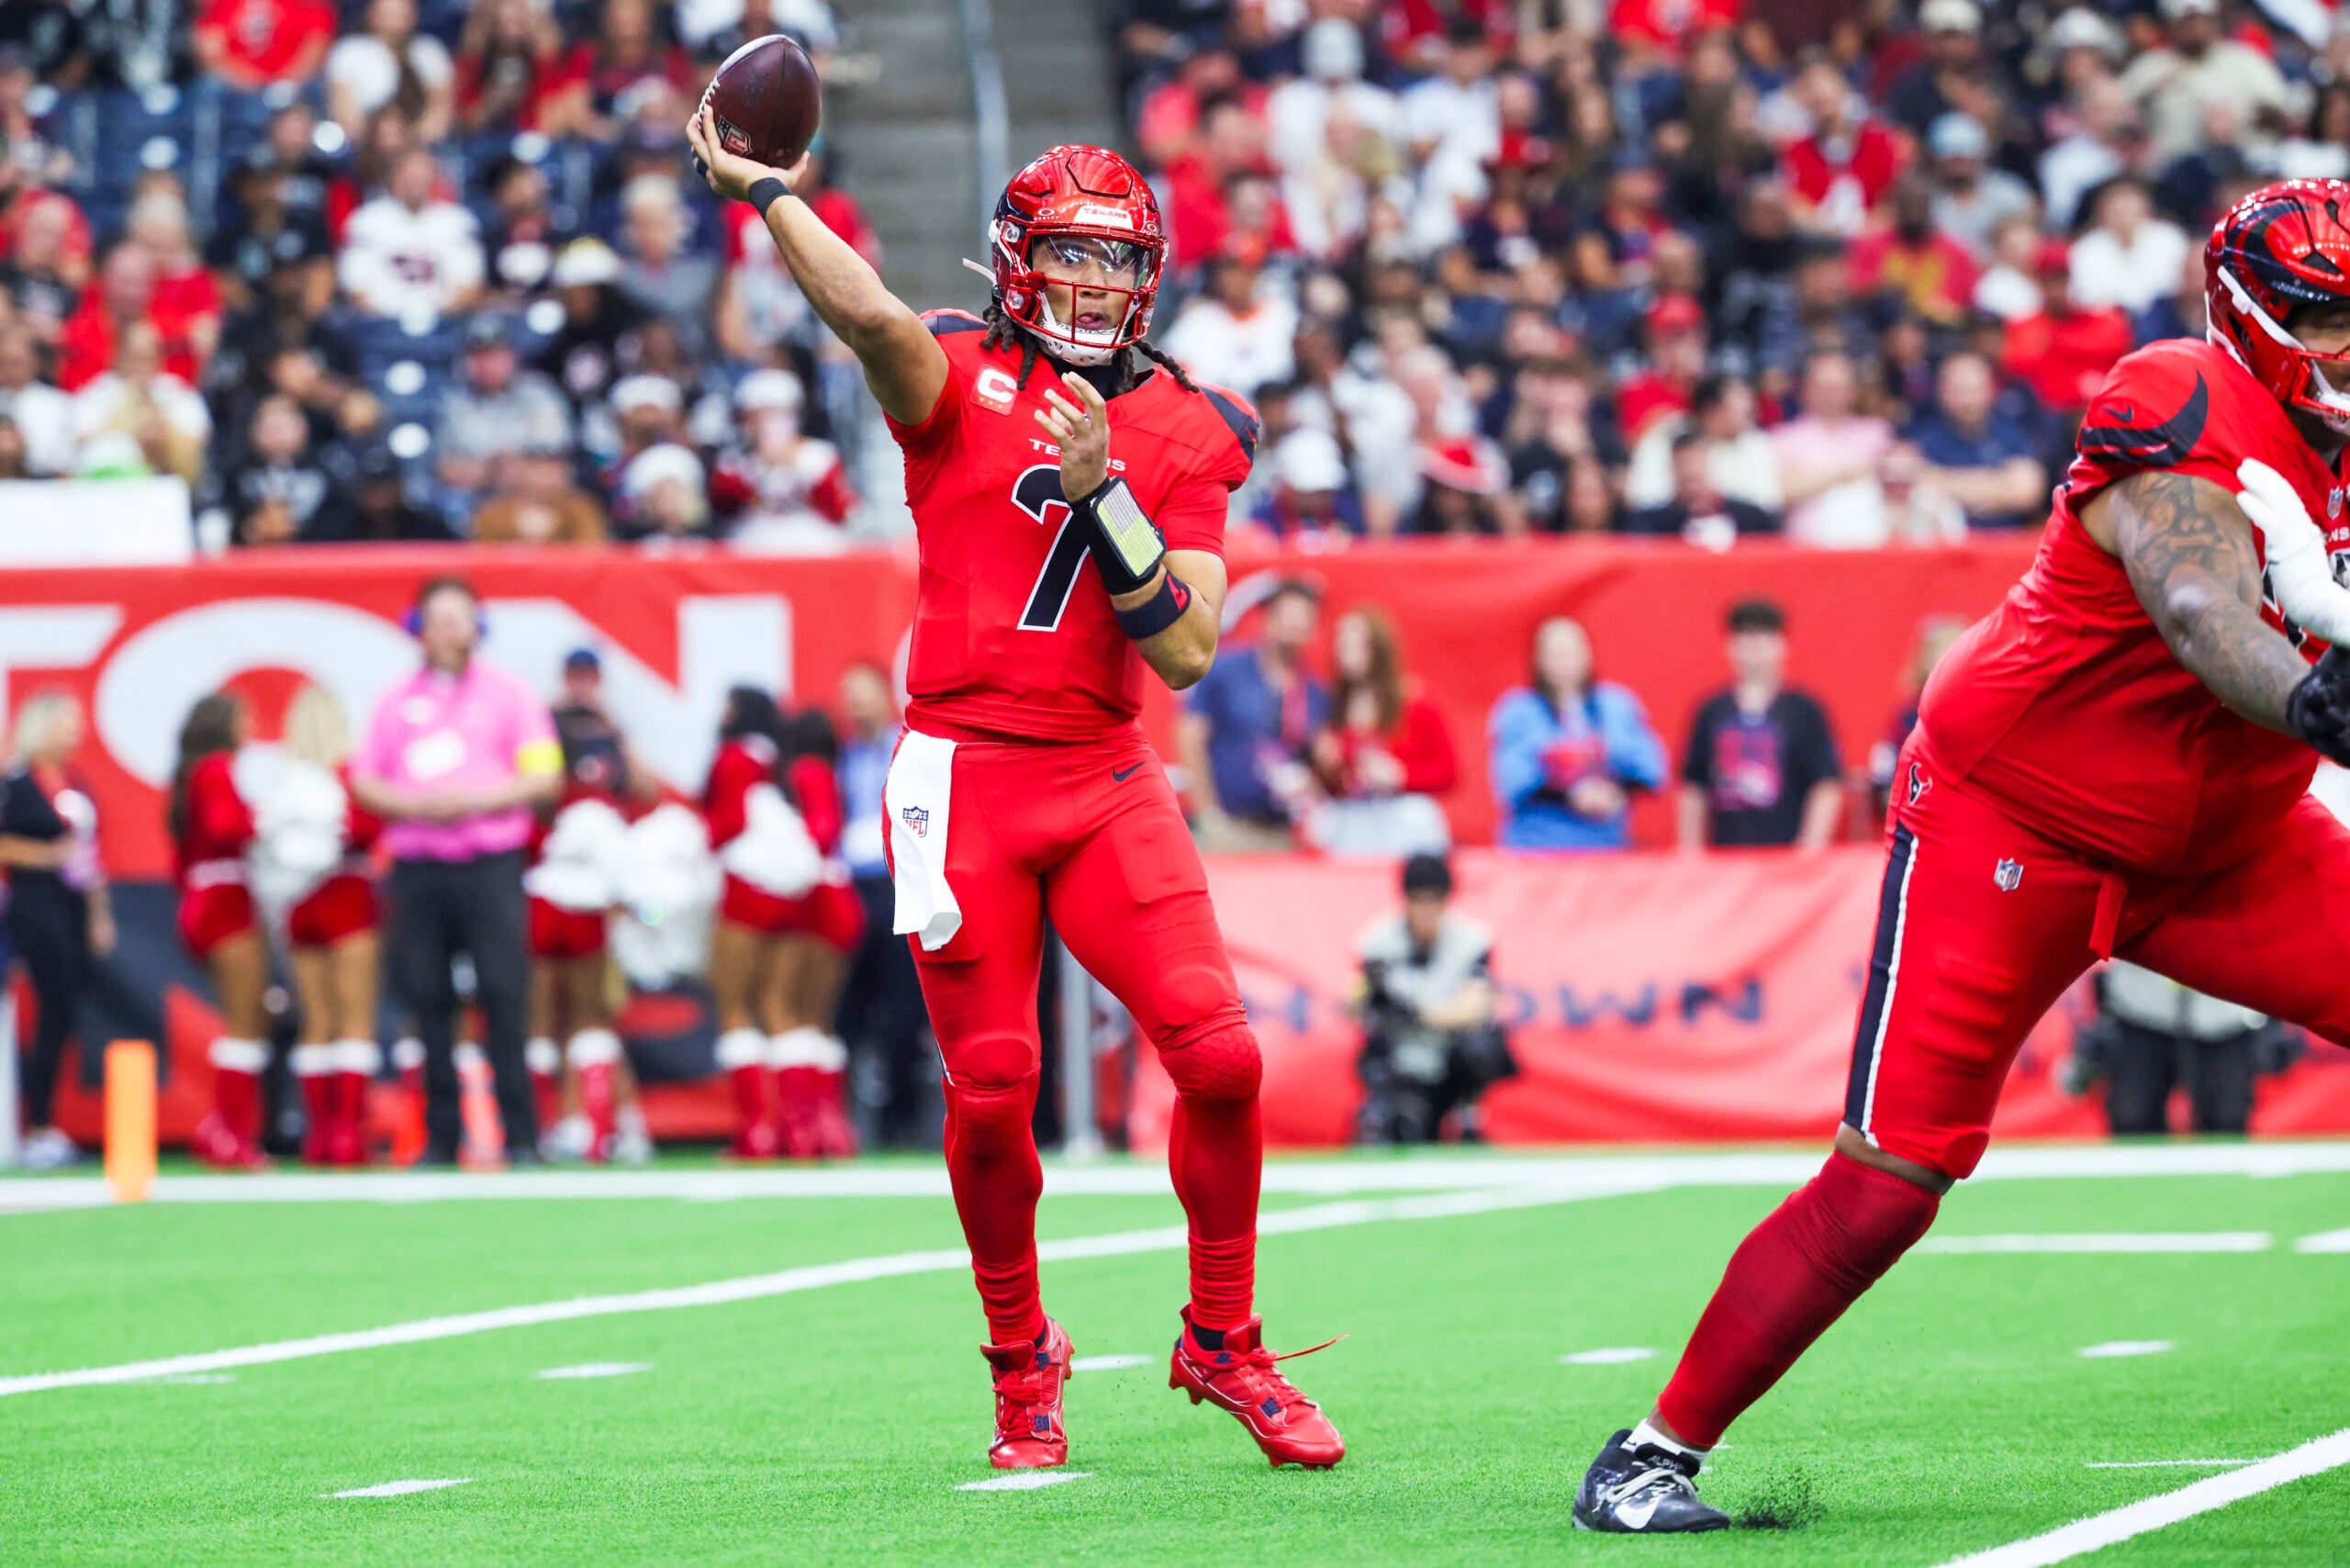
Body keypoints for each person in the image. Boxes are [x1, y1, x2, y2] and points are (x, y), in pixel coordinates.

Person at [1573, 180, 2350, 1532]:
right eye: (2331, 319)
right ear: (2258, 316)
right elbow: (2194, 595)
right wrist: (2308, 701)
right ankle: (1650, 1455)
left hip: (2228, 837)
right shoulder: (2179, 394)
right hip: (2018, 817)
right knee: (1894, 1177)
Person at [688, 115, 1342, 1469]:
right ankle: (1020, 1361)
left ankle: (1221, 1338)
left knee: (1220, 1057)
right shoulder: (958, 371)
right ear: (1017, 261)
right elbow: (866, 316)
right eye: (1073, 256)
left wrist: (1106, 499)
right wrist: (765, 191)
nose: (1100, 283)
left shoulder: (1192, 424)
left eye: (1121, 259)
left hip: (1104, 773)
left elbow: (1189, 647)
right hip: (960, 771)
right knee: (992, 1088)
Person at [351, 576, 561, 1167]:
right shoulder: (395, 701)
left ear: (478, 626)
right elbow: (365, 778)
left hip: (489, 863)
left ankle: (520, 1133)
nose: (447, 630)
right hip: (419, 866)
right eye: (436, 619)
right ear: (417, 628)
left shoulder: (511, 695)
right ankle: (441, 1135)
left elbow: (544, 775)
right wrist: (414, 804)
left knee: (503, 992)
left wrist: (477, 799)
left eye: (458, 618)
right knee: (427, 998)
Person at [525, 648, 655, 1165]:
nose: (581, 688)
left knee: (595, 1013)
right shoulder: (544, 730)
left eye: (588, 678)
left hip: (596, 901)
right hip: (547, 891)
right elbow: (534, 800)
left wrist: (615, 731)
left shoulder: (609, 735)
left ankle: (609, 1121)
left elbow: (645, 791)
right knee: (544, 1017)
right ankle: (553, 1124)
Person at [702, 685, 824, 1159]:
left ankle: (757, 1132)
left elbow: (728, 824)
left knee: (733, 1007)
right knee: (780, 1007)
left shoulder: (734, 758)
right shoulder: (782, 761)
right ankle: (802, 1133)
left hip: (746, 893)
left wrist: (696, 843)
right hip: (791, 898)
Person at [264, 684, 384, 1167]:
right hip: (346, 899)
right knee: (354, 1018)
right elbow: (367, 828)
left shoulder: (284, 784)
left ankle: (319, 1136)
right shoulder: (348, 778)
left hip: (299, 908)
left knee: (316, 1020)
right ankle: (347, 1137)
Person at [1, 692, 111, 1170]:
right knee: (49, 1011)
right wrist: (43, 857)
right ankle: (36, 1125)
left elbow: (88, 853)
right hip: (32, 903)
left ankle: (45, 1122)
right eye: (64, 724)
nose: (73, 734)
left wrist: (98, 913)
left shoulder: (73, 782)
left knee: (63, 1014)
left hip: (70, 905)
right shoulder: (16, 783)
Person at [165, 694, 275, 1170]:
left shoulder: (192, 775)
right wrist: (269, 821)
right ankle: (228, 1135)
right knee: (244, 1020)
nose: (250, 724)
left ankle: (221, 1129)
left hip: (205, 899)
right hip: (224, 904)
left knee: (251, 1015)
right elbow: (227, 826)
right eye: (244, 717)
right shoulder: (216, 770)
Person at [833, 660, 930, 1148]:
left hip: (897, 888)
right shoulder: (839, 759)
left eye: (863, 693)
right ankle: (840, 1121)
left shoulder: (906, 748)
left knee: (904, 1008)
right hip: (851, 891)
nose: (855, 705)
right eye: (847, 696)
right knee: (845, 1008)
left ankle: (902, 1118)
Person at [1350, 854, 1514, 1145]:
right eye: (1419, 901)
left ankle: (1466, 1112)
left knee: (1480, 1043)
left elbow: (1474, 1008)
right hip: (1401, 1055)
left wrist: (1415, 1009)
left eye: (1434, 901)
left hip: (1450, 1055)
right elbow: (1353, 1003)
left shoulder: (1472, 939)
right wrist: (1366, 995)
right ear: (1405, 901)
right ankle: (1384, 1113)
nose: (1426, 911)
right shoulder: (1377, 941)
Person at [1489, 617, 1668, 851]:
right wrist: (1571, 796)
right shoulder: (1519, 711)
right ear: (1538, 660)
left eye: (1572, 652)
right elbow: (1511, 782)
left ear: (1588, 654)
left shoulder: (1617, 705)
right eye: (1556, 654)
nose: (1566, 662)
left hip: (1605, 847)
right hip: (1538, 849)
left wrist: (1616, 792)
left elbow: (1651, 770)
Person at [1677, 599, 1844, 851]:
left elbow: (1825, 785)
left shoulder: (1805, 710)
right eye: (1745, 640)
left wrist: (1810, 849)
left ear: (1780, 646)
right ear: (1731, 647)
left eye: (1763, 640)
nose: (1754, 651)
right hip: (1725, 857)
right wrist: (1690, 852)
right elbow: (1694, 787)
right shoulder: (1711, 711)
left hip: (1786, 856)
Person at [1180, 579, 1327, 852]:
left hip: (1285, 834)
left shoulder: (1315, 692)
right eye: (1289, 614)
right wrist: (1207, 813)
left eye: (1303, 617)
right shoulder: (1226, 672)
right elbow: (1191, 738)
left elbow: (1318, 760)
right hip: (1230, 829)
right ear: (1268, 618)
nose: (1295, 625)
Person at [1304, 607, 1456, 857]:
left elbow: (1448, 772)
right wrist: (1327, 768)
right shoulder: (1335, 707)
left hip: (1405, 819)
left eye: (1356, 646)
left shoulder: (1415, 700)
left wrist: (1402, 776)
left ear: (1378, 649)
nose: (1346, 655)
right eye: (1341, 646)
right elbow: (1336, 788)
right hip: (1355, 823)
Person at [2071, 962, 2278, 1137]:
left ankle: (2222, 1185)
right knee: (2133, 1118)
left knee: (2227, 1120)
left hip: (2223, 1012)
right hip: (2141, 1008)